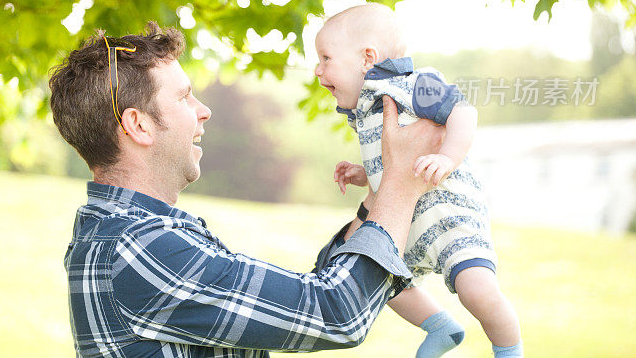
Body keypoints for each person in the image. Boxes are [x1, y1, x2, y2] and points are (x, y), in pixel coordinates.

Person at [49, 22, 445, 357]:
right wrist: (400, 184)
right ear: (138, 126)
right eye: (185, 96)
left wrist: (376, 200)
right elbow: (335, 313)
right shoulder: (138, 247)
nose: (203, 110)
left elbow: (305, 299)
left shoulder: (129, 236)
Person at [315, 4, 523, 358]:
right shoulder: (363, 110)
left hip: (448, 214)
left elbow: (463, 112)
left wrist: (447, 157)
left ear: (368, 57)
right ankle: (440, 326)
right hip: (407, 224)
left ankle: (508, 350)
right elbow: (393, 161)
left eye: (326, 58)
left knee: (476, 290)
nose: (318, 71)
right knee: (378, 278)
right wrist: (364, 172)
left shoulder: (413, 84)